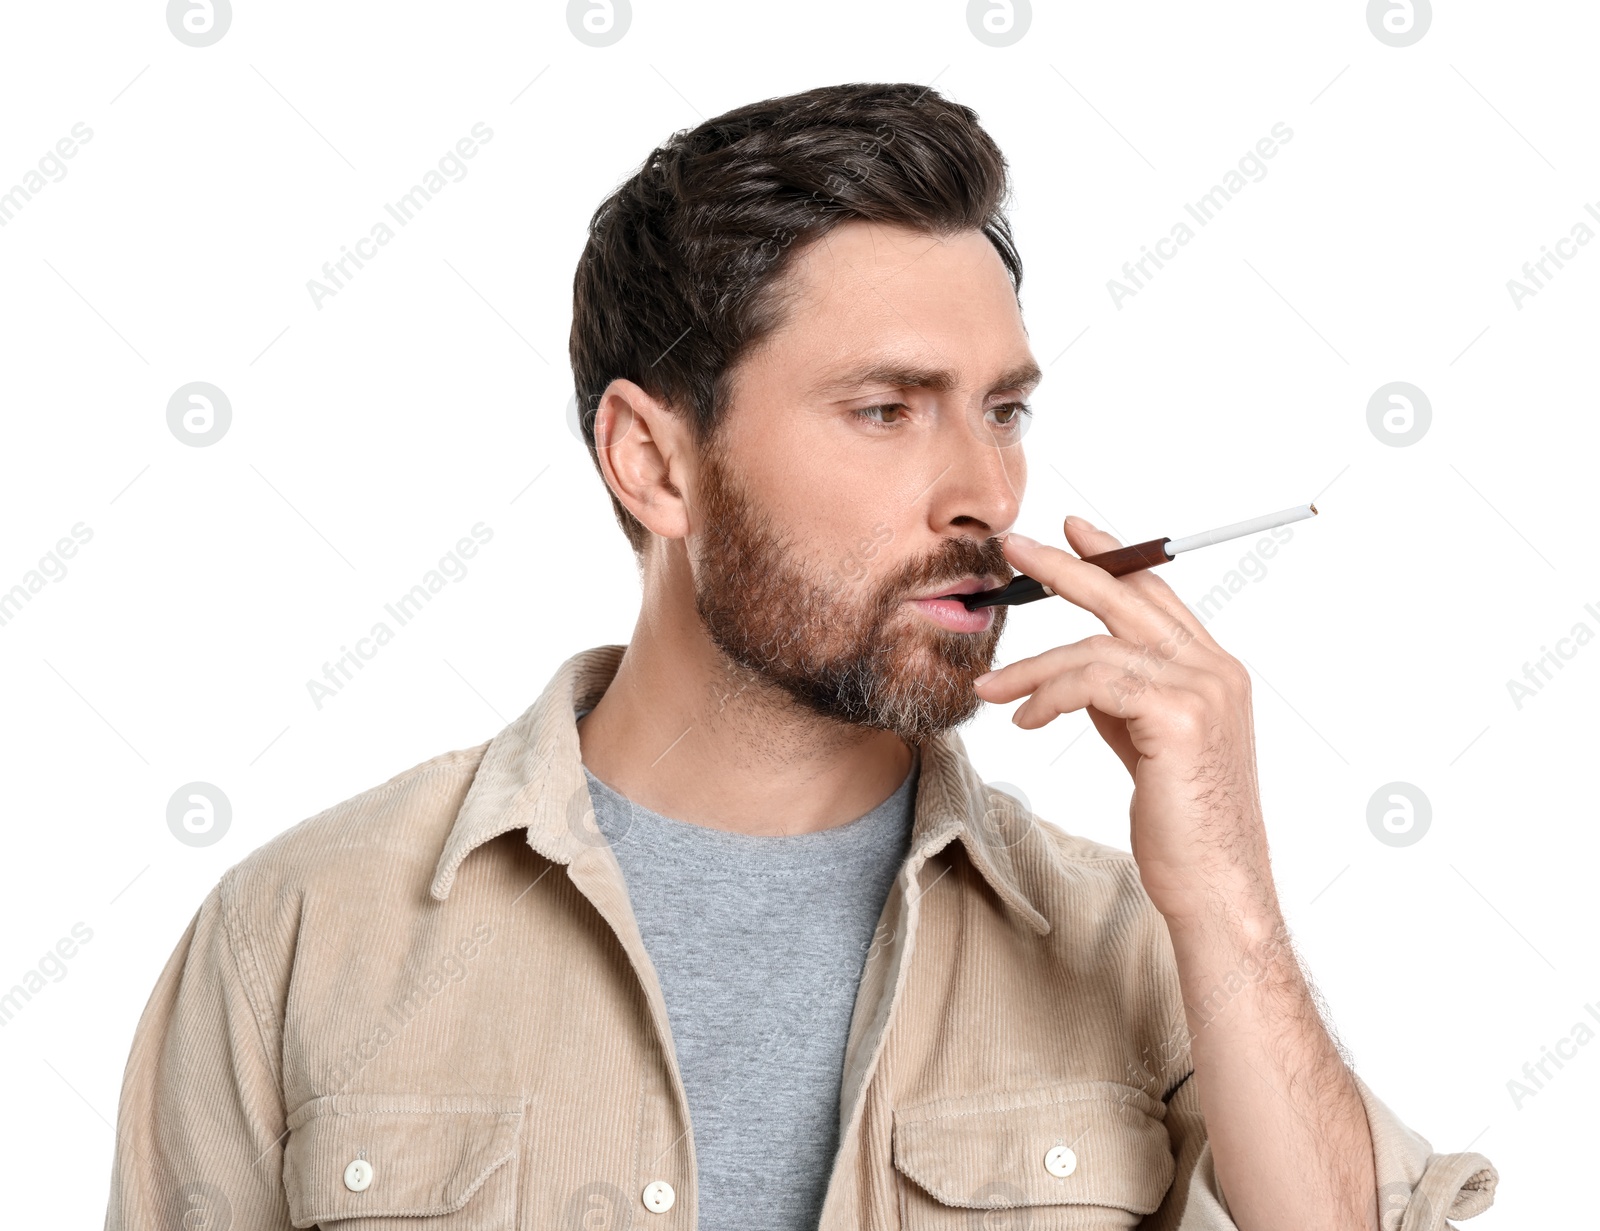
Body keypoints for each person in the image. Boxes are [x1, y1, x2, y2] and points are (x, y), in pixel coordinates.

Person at [104, 82, 1497, 1231]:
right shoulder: (293, 942)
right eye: (888, 409)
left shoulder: (1140, 946)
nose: (987, 494)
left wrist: (1232, 898)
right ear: (654, 462)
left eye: (1002, 410)